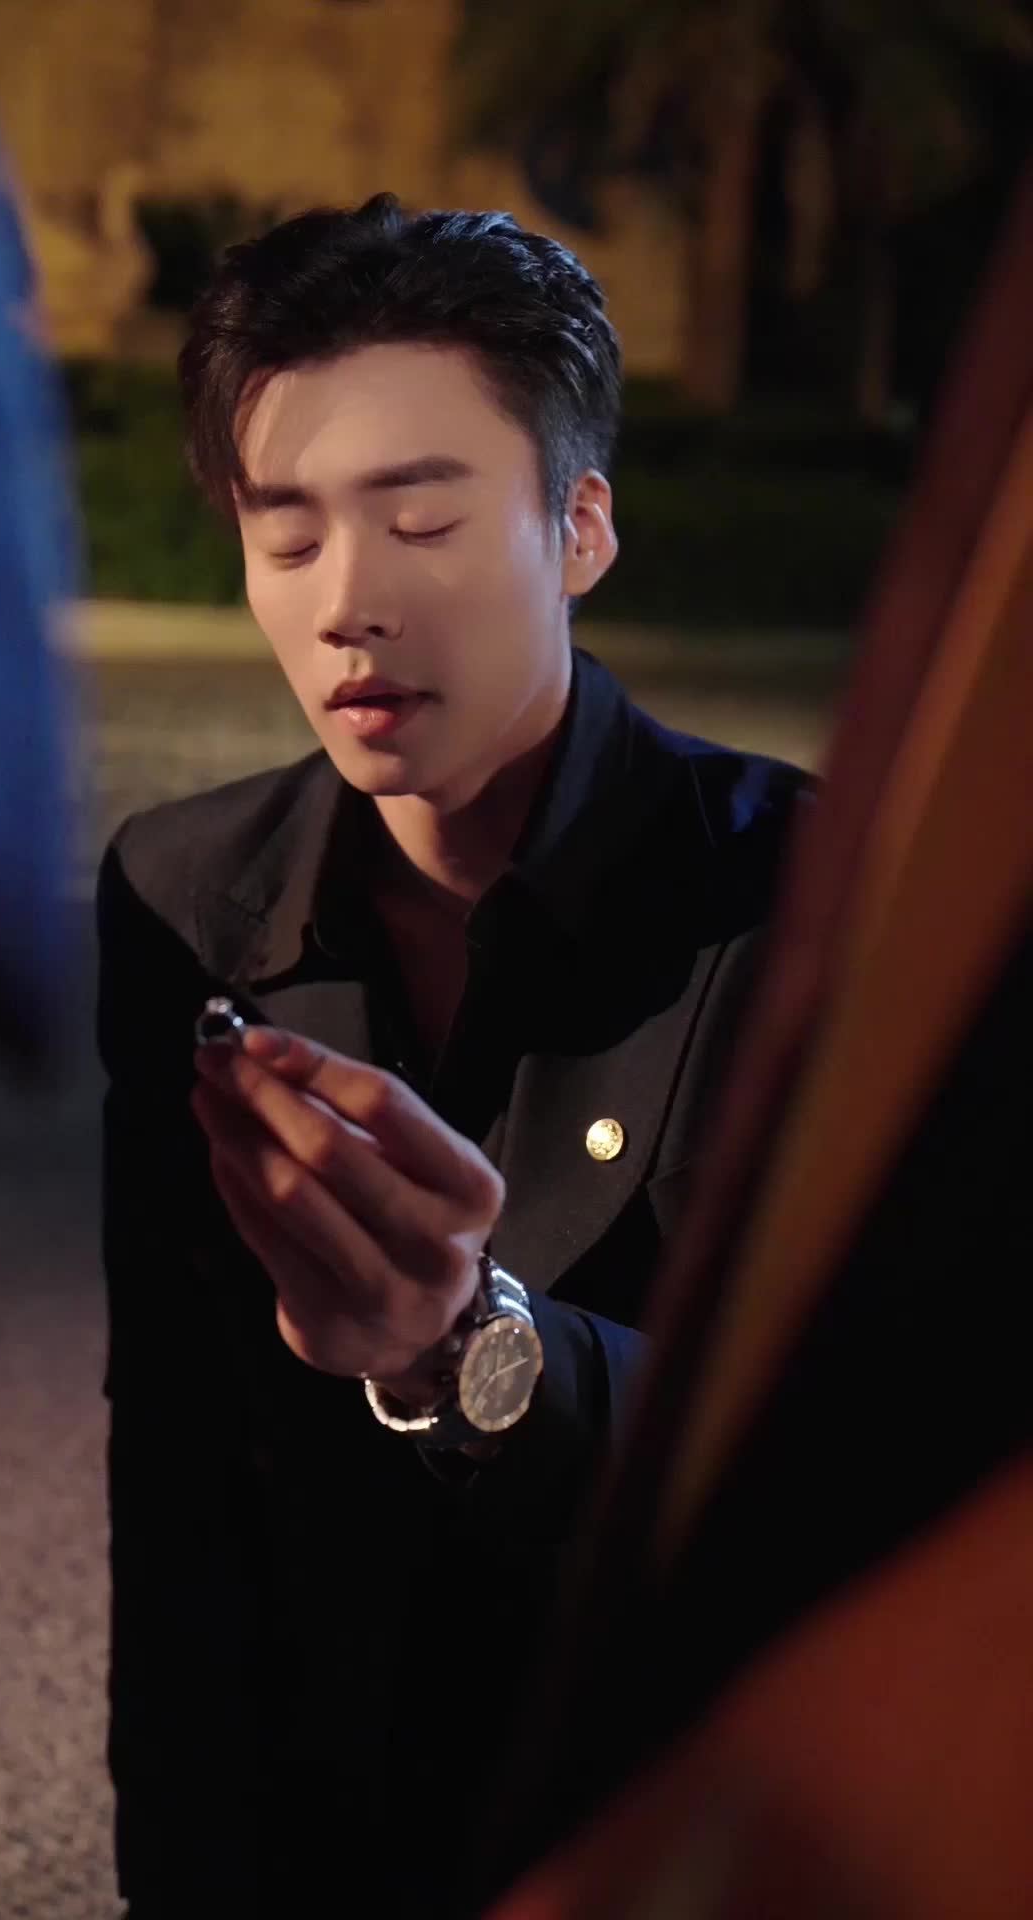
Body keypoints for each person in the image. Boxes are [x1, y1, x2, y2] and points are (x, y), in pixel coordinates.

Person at [97, 192, 807, 1919]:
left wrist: (472, 1347)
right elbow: (182, 1492)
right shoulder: (182, 899)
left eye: (421, 522)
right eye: (284, 539)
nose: (350, 605)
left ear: (581, 527)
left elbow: (834, 1475)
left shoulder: (800, 898)